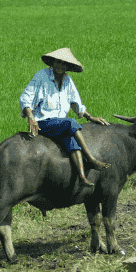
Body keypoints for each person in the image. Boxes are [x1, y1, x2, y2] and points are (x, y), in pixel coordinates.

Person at [20, 47, 110, 188]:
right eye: (58, 62)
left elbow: (76, 103)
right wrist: (30, 116)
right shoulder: (41, 76)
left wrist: (91, 117)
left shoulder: (67, 80)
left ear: (67, 66)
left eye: (63, 63)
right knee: (70, 123)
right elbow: (26, 97)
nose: (60, 66)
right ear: (53, 62)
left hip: (58, 123)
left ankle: (81, 177)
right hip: (43, 122)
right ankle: (91, 158)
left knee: (72, 142)